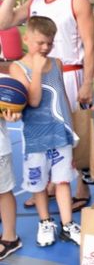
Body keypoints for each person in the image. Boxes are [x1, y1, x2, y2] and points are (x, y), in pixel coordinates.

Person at [0, 0, 94, 213]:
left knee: (73, 134)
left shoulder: (76, 1)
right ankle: (46, 186)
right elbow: (3, 22)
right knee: (40, 130)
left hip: (69, 72)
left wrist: (87, 82)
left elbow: (91, 44)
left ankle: (81, 188)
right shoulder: (34, 0)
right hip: (37, 73)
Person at [10, 16, 82, 247]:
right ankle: (45, 222)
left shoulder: (57, 63)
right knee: (39, 184)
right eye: (40, 42)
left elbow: (61, 98)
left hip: (59, 133)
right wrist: (38, 72)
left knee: (62, 181)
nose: (45, 48)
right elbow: (33, 100)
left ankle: (68, 225)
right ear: (26, 38)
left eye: (49, 43)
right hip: (35, 136)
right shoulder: (18, 67)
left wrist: (71, 128)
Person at [0, 93, 23, 259]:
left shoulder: (3, 83)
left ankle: (10, 238)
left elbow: (15, 103)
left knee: (3, 191)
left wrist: (15, 113)